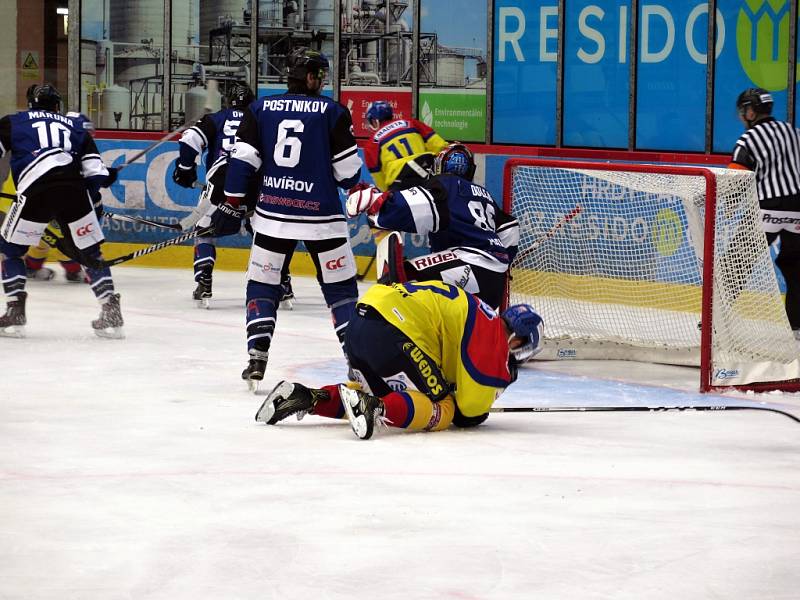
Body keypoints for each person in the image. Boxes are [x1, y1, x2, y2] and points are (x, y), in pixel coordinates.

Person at [220, 47, 363, 385]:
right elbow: (348, 174)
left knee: (264, 283)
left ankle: (256, 356)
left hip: (273, 214)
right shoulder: (334, 112)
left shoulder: (260, 109)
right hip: (323, 219)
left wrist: (233, 200)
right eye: (320, 75)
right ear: (310, 77)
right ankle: (357, 360)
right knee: (340, 289)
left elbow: (242, 161)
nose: (323, 81)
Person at [255, 280, 543, 440]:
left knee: (381, 394)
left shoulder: (480, 312)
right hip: (394, 329)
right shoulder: (493, 335)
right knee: (443, 408)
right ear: (517, 339)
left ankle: (305, 397)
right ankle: (374, 407)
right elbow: (469, 413)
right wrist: (501, 382)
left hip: (364, 319)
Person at [0, 84, 123, 338]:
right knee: (90, 253)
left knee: (11, 250)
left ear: (30, 104)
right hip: (74, 191)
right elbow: (95, 173)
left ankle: (15, 309)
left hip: (35, 190)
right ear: (58, 106)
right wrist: (98, 189)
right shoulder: (76, 127)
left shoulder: (13, 121)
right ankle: (109, 307)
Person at [346, 143, 519, 310]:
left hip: (469, 268)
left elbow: (411, 207)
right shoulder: (485, 195)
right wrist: (502, 263)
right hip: (494, 287)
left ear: (439, 166)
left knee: (404, 279)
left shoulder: (446, 185)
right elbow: (510, 229)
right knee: (451, 325)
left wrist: (374, 201)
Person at [172, 82, 292, 309]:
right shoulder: (262, 120)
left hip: (221, 178)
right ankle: (282, 281)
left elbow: (189, 140)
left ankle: (204, 279)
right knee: (263, 233)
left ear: (228, 101)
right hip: (255, 179)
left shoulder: (216, 119)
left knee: (204, 230)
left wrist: (185, 170)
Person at [730, 88, 800, 335]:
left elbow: (736, 180)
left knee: (734, 264)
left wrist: (726, 207)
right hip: (797, 210)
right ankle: (797, 327)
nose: (741, 117)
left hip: (765, 210)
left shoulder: (747, 140)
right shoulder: (793, 131)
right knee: (796, 269)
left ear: (750, 112)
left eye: (743, 112)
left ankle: (715, 322)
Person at [362, 100, 448, 192]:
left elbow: (380, 180)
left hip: (400, 185)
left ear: (375, 121)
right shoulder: (412, 124)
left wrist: (388, 193)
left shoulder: (371, 144)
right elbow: (439, 146)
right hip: (427, 176)